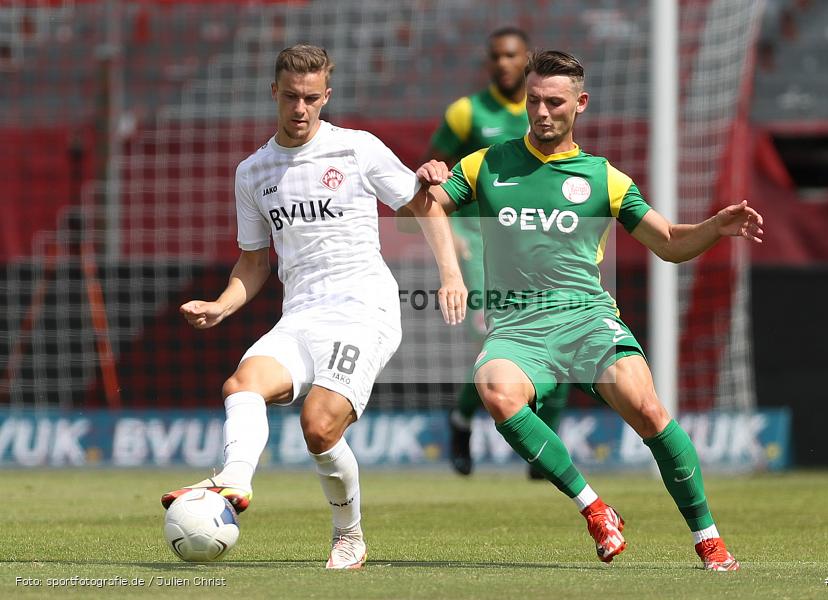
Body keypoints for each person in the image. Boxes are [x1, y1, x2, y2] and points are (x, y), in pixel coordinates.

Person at [411, 50, 764, 571]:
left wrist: (714, 227)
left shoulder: (605, 179)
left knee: (646, 408)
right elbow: (429, 202)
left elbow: (667, 242)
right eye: (533, 101)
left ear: (580, 104)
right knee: (495, 389)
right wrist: (447, 266)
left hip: (585, 319)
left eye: (554, 102)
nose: (541, 112)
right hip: (519, 325)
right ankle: (595, 508)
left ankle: (709, 540)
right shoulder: (488, 162)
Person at [160, 44, 466, 570]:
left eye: (310, 99)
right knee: (241, 385)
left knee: (319, 427)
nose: (300, 109)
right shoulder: (253, 172)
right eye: (290, 98)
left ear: (326, 96)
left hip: (363, 309)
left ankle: (349, 535)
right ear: (273, 93)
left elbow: (422, 202)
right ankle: (234, 481)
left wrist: (451, 274)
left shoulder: (356, 149)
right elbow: (253, 264)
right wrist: (221, 306)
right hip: (301, 315)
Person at [430, 26, 572, 478]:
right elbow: (435, 178)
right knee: (493, 336)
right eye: (495, 56)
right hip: (477, 241)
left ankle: (542, 446)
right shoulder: (465, 113)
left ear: (525, 58)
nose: (503, 63)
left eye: (511, 55)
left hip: (535, 242)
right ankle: (462, 420)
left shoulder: (547, 109)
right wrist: (448, 229)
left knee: (562, 337)